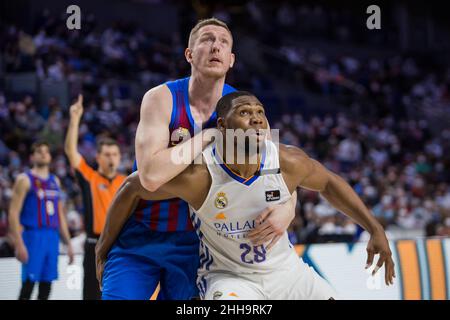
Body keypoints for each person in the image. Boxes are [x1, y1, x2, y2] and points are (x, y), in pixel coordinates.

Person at [97, 91, 396, 299]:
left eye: (260, 113)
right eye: (245, 112)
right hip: (229, 279)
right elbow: (132, 187)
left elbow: (330, 183)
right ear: (223, 127)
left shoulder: (287, 161)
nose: (256, 119)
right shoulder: (200, 176)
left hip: (288, 274)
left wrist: (374, 228)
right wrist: (103, 248)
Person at [96, 18, 297, 300]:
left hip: (201, 246)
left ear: (231, 60)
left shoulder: (243, 107)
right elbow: (150, 177)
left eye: (223, 42)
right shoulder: (161, 98)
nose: (215, 46)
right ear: (189, 54)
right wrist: (209, 136)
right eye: (207, 39)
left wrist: (288, 210)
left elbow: (281, 170)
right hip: (141, 234)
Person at [64, 95, 126, 300]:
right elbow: (71, 153)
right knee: (91, 295)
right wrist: (74, 119)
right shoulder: (89, 178)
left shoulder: (127, 182)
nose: (111, 158)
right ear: (97, 157)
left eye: (115, 154)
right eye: (107, 154)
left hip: (120, 246)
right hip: (94, 245)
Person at [8, 141, 74, 300]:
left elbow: (59, 216)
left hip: (52, 237)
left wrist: (69, 243)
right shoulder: (24, 179)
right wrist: (19, 244)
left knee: (47, 285)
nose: (44, 154)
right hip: (32, 236)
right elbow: (13, 213)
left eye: (46, 151)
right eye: (39, 151)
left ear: (50, 156)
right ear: (32, 157)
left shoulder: (55, 181)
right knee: (28, 285)